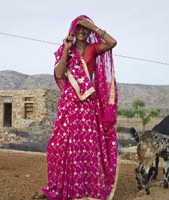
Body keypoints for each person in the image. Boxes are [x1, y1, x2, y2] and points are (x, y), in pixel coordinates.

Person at [30, 15, 118, 200]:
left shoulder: (93, 49)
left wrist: (93, 27)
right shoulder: (66, 50)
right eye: (78, 28)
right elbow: (60, 74)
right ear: (72, 30)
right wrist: (66, 51)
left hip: (87, 103)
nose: (81, 31)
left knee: (87, 144)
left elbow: (112, 42)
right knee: (59, 144)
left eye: (84, 29)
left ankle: (87, 190)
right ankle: (60, 187)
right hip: (69, 102)